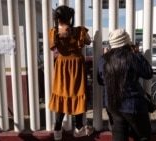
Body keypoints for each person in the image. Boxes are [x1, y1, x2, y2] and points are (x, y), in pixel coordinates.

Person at [97, 29, 153, 141]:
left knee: (119, 137)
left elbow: (100, 81)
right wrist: (137, 53)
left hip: (112, 105)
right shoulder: (132, 57)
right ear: (127, 43)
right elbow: (148, 73)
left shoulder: (104, 59)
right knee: (143, 136)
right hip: (133, 105)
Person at [48, 5, 94, 140]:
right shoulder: (80, 31)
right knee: (77, 93)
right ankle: (79, 127)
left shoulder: (54, 32)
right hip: (77, 66)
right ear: (70, 17)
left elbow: (52, 46)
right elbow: (89, 41)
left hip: (62, 66)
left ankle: (57, 129)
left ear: (57, 19)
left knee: (62, 93)